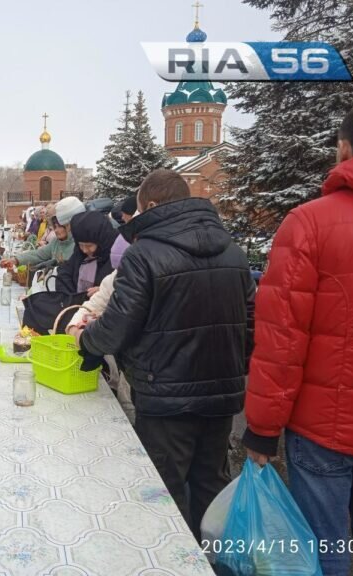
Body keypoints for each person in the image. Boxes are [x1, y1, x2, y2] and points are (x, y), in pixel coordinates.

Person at [71, 169, 255, 540]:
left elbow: (119, 325)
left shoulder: (144, 255)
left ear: (152, 205)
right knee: (211, 486)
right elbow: (250, 324)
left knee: (164, 496)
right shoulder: (233, 252)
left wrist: (85, 342)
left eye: (138, 210)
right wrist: (231, 366)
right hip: (221, 396)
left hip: (164, 396)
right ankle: (215, 560)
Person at [243, 100, 353, 576]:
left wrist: (262, 427)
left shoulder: (310, 223)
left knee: (326, 551)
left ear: (344, 149)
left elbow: (282, 339)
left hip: (325, 427)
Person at [55, 211, 119, 296]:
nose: (85, 250)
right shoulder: (80, 253)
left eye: (89, 246)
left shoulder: (116, 256)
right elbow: (65, 272)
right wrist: (73, 297)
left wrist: (104, 290)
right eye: (81, 245)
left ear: (101, 242)